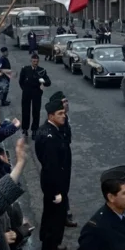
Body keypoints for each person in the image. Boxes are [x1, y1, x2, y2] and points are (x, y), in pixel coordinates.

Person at [35, 100, 73, 250]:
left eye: (63, 113)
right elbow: (51, 166)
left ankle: (50, 242)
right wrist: (57, 191)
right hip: (54, 183)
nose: (64, 116)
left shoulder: (51, 130)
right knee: (55, 217)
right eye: (60, 114)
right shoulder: (50, 137)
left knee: (51, 213)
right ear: (51, 116)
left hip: (54, 181)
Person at [48, 91, 77, 228]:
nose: (66, 104)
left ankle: (64, 212)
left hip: (65, 156)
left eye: (66, 101)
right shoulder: (54, 125)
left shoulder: (65, 118)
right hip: (59, 160)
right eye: (63, 102)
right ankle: (62, 215)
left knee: (64, 186)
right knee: (60, 187)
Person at [18, 53, 52, 138]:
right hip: (26, 93)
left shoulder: (42, 70)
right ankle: (25, 129)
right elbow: (21, 81)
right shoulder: (25, 69)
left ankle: (34, 130)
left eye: (37, 61)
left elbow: (48, 82)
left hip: (37, 93)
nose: (35, 63)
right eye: (34, 61)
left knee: (36, 112)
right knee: (25, 111)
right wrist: (24, 89)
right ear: (31, 61)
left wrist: (43, 81)